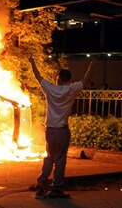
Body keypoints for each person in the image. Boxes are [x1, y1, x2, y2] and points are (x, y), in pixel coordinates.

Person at [28, 56, 96, 199]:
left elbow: (38, 76)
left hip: (50, 130)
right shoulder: (71, 89)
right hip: (62, 131)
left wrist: (33, 62)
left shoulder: (50, 88)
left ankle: (41, 184)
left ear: (57, 79)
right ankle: (56, 189)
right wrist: (92, 66)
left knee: (49, 157)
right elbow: (85, 80)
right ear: (69, 80)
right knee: (60, 160)